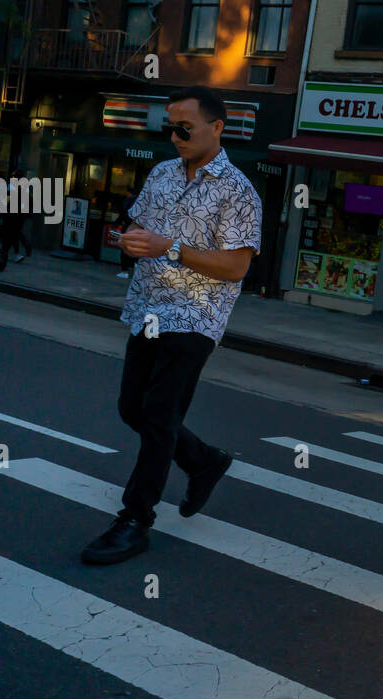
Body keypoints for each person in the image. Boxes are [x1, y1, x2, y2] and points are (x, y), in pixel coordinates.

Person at [80, 85, 262, 565]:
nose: (176, 136)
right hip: (148, 307)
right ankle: (204, 460)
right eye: (171, 128)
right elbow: (138, 227)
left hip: (195, 316)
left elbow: (238, 266)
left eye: (186, 128)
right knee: (132, 409)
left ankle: (135, 519)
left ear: (216, 128)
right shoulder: (161, 173)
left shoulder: (238, 190)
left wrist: (171, 249)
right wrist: (130, 240)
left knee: (158, 415)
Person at [0, 164, 34, 263]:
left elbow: (6, 199)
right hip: (20, 215)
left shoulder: (11, 186)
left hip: (11, 213)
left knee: (9, 233)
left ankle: (6, 252)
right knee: (15, 233)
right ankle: (14, 251)